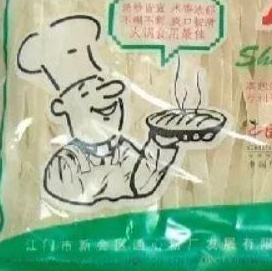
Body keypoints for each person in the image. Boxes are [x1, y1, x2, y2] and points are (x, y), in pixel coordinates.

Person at [17, 14, 180, 206]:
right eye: (87, 94)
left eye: (105, 89)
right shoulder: (65, 162)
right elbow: (67, 191)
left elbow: (143, 182)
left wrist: (163, 142)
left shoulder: (124, 148)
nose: (107, 104)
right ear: (61, 108)